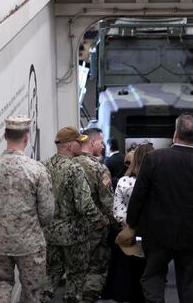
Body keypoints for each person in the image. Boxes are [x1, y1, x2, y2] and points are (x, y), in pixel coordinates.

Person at [126, 113, 193, 303]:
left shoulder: (154, 159)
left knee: (153, 277)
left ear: (175, 133)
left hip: (156, 234)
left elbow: (139, 196)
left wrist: (132, 223)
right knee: (190, 285)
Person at [0, 116, 54, 303]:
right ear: (26, 138)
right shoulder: (37, 170)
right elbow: (47, 212)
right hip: (30, 243)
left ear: (5, 136)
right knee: (31, 292)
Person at [42, 127, 105, 303]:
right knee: (76, 275)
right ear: (70, 146)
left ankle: (43, 298)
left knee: (51, 272)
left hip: (50, 232)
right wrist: (98, 220)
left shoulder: (43, 166)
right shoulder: (75, 169)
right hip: (74, 234)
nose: (81, 144)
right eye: (79, 141)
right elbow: (83, 203)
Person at [106, 142, 154, 303]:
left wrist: (128, 223)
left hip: (130, 232)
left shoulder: (124, 181)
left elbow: (117, 209)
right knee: (152, 272)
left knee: (132, 270)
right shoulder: (158, 181)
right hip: (153, 233)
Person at [74, 127, 115, 302]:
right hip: (95, 230)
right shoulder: (99, 168)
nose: (104, 146)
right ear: (92, 143)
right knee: (95, 270)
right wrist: (112, 224)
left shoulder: (69, 164)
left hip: (70, 229)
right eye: (100, 142)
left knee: (75, 270)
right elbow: (108, 202)